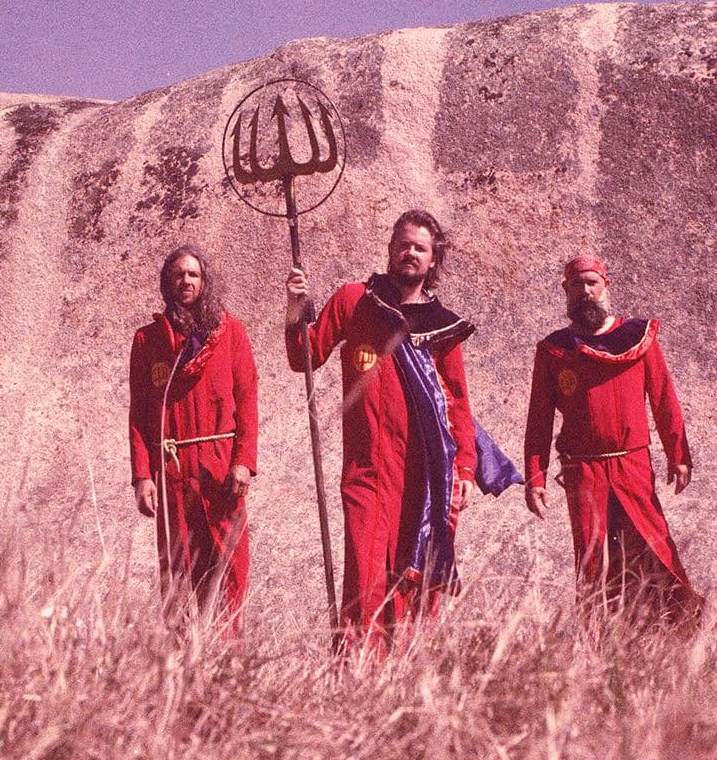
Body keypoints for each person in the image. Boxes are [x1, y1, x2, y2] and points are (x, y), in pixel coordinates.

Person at [286, 209, 519, 660]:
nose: (409, 252)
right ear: (390, 247)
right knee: (365, 576)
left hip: (425, 475)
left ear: (433, 260)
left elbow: (456, 402)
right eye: (403, 243)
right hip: (368, 473)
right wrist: (297, 309)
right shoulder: (355, 301)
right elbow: (306, 357)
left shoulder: (441, 324)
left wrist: (465, 468)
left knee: (413, 578)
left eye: (420, 247)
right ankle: (356, 674)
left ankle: (405, 677)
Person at [524, 255, 699, 621]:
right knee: (594, 561)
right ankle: (597, 645)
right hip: (583, 470)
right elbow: (539, 419)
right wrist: (535, 478)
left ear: (606, 286)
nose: (585, 291)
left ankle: (669, 632)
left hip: (632, 463)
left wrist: (677, 453)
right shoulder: (555, 350)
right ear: (565, 290)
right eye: (577, 285)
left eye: (592, 283)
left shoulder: (637, 338)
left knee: (650, 548)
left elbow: (664, 396)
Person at [128, 245, 258, 633]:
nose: (185, 281)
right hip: (173, 472)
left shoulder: (230, 331)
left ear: (205, 281)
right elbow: (140, 414)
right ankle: (181, 663)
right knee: (180, 571)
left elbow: (247, 397)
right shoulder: (148, 340)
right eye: (178, 275)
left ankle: (229, 657)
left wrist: (244, 461)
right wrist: (142, 476)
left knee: (231, 566)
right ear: (167, 283)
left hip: (220, 471)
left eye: (193, 275)